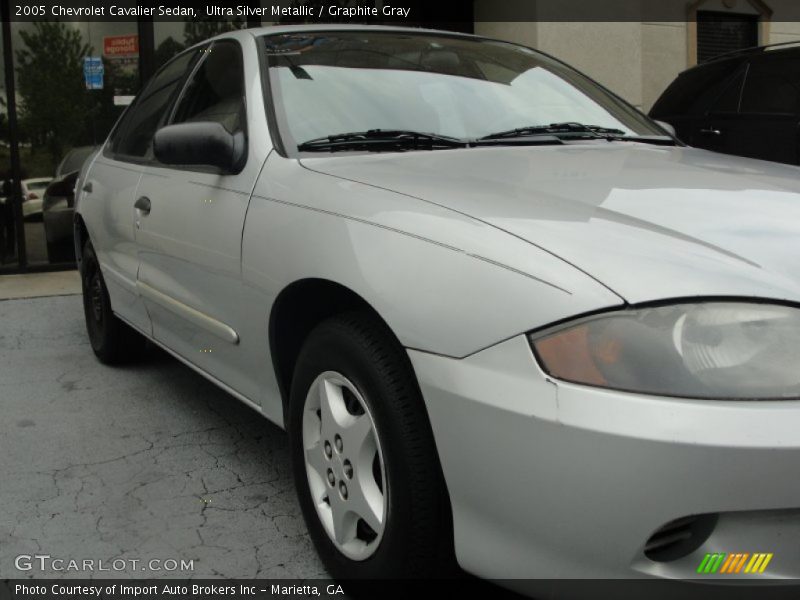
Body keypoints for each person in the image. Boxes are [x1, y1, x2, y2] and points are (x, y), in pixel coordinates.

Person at [0, 172, 17, 265]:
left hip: (8, 210)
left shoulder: (9, 184)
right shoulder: (9, 183)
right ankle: (5, 254)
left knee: (10, 231)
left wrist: (8, 200)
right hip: (5, 210)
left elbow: (15, 195)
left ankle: (9, 253)